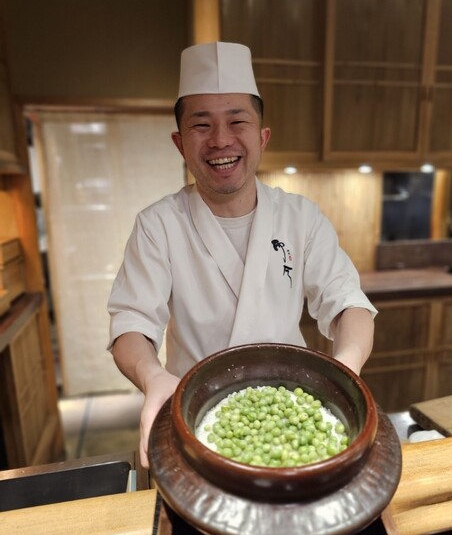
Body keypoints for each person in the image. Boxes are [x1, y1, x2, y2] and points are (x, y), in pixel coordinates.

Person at [107, 41, 377, 468]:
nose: (220, 140)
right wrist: (154, 377)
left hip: (290, 413)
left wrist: (346, 367)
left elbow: (348, 303)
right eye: (201, 125)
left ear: (262, 137)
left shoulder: (301, 217)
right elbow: (131, 324)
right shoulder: (158, 225)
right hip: (194, 416)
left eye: (237, 121)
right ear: (180, 143)